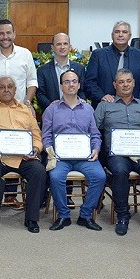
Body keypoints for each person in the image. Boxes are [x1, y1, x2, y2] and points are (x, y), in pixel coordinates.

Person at [0, 76, 46, 233]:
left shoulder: (25, 110)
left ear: (15, 90)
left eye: (9, 86)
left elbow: (36, 134)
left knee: (39, 171)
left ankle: (32, 218)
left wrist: (35, 149)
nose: (6, 90)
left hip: (23, 157)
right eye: (2, 87)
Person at [94, 68, 140, 235]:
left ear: (134, 83)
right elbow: (93, 130)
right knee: (119, 170)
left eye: (128, 81)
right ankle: (123, 215)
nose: (125, 85)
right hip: (117, 155)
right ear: (115, 85)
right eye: (121, 82)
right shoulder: (104, 106)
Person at [42, 70, 106, 231]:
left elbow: (95, 134)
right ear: (61, 86)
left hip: (85, 157)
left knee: (100, 176)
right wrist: (50, 152)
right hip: (60, 158)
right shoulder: (52, 109)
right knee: (55, 177)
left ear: (79, 85)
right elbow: (46, 135)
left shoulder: (88, 109)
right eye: (67, 82)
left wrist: (96, 149)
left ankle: (85, 215)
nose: (71, 84)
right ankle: (63, 215)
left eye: (74, 81)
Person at [84, 21, 140, 106]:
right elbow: (89, 82)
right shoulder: (98, 55)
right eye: (117, 32)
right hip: (105, 107)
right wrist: (102, 96)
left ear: (130, 36)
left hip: (133, 109)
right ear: (112, 35)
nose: (120, 35)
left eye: (124, 32)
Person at [0, 19, 37, 108]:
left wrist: (27, 102)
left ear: (14, 34)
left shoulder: (25, 54)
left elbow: (32, 81)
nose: (5, 37)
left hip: (19, 109)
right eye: (1, 33)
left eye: (8, 33)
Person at [36, 32, 85, 109]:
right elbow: (40, 94)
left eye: (65, 44)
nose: (62, 47)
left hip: (75, 112)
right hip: (52, 114)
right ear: (52, 47)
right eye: (59, 44)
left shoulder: (80, 68)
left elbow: (83, 91)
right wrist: (51, 107)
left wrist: (78, 104)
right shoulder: (42, 71)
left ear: (70, 47)